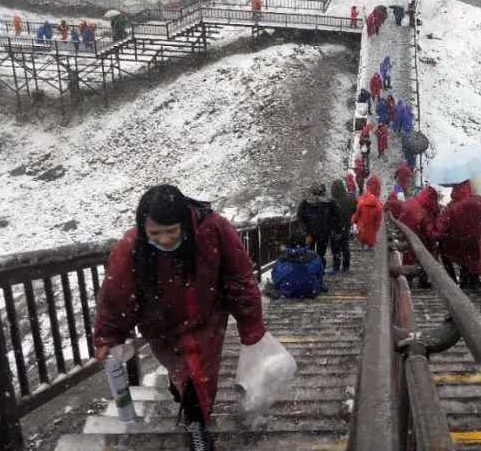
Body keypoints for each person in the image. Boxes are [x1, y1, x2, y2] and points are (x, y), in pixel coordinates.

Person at [93, 185, 264, 451]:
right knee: (181, 375)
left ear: (184, 223)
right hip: (161, 327)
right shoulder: (130, 247)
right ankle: (185, 401)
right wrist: (108, 335)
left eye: (171, 231)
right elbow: (117, 296)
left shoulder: (212, 230)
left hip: (205, 321)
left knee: (199, 376)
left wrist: (250, 323)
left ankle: (198, 426)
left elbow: (238, 276)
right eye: (154, 233)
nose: (163, 240)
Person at [429, 181, 481, 288]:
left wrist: (434, 229)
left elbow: (443, 227)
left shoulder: (452, 206)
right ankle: (473, 281)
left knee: (447, 253)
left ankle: (453, 281)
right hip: (475, 240)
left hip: (458, 241)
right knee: (471, 259)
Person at [271, 222, 325, 298]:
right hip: (311, 289)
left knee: (270, 286)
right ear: (304, 242)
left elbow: (275, 277)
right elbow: (320, 273)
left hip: (286, 291)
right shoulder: (314, 256)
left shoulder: (282, 259)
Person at [398, 185, 442, 277]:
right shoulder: (425, 214)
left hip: (405, 240)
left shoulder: (409, 201)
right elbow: (432, 233)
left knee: (407, 263)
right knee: (426, 263)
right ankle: (424, 279)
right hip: (420, 245)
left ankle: (407, 279)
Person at [296, 183, 340, 263]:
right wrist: (306, 233)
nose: (315, 203)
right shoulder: (305, 203)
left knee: (321, 254)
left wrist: (335, 230)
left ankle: (320, 267)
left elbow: (337, 216)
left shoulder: (330, 202)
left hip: (324, 232)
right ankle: (312, 268)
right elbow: (300, 218)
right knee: (309, 254)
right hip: (310, 233)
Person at [330, 179, 357, 273]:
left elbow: (329, 214)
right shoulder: (351, 198)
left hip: (335, 228)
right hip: (346, 226)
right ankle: (346, 266)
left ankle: (336, 267)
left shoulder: (332, 201)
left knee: (335, 248)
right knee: (345, 246)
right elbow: (354, 210)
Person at [351, 176, 384, 248]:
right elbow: (377, 223)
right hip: (371, 235)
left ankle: (363, 245)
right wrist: (375, 229)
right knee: (370, 238)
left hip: (362, 232)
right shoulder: (378, 207)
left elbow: (356, 216)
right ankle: (369, 245)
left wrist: (354, 221)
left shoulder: (361, 203)